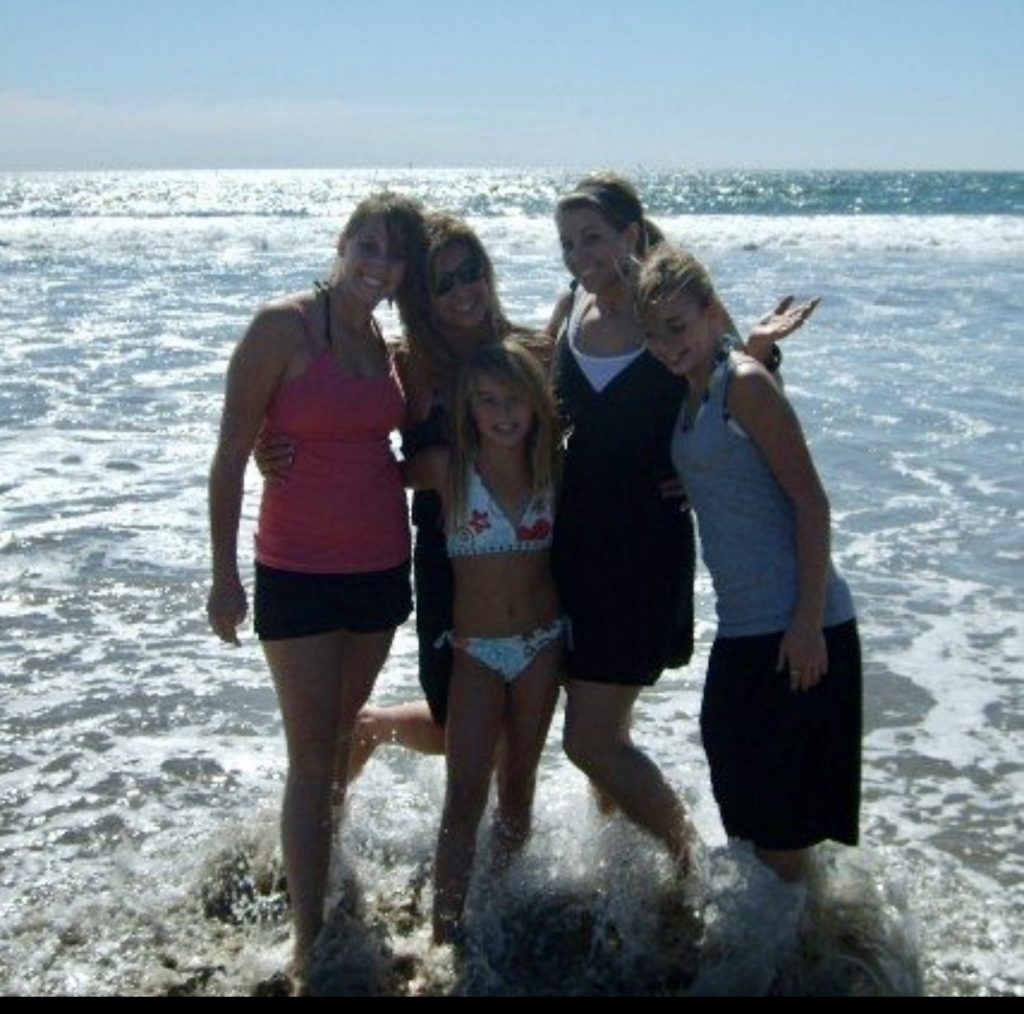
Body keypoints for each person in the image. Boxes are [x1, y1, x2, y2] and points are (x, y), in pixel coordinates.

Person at [547, 172, 817, 874]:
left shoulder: (665, 312)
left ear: (631, 235)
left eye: (593, 238)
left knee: (589, 739)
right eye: (568, 242)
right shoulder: (570, 305)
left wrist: (702, 474)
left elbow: (738, 398)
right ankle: (623, 878)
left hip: (644, 547)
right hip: (573, 543)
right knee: (603, 727)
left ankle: (691, 865)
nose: (580, 255)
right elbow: (536, 401)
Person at [206, 192, 426, 977]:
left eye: (394, 256)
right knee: (309, 755)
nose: (378, 265)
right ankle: (309, 944)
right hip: (295, 570)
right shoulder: (284, 327)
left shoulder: (388, 346)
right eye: (368, 246)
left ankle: (325, 879)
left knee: (335, 742)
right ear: (342, 244)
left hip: (380, 568)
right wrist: (224, 576)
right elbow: (231, 455)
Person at [636, 244, 861, 882]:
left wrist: (807, 624)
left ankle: (797, 939)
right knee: (747, 805)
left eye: (676, 327)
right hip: (743, 630)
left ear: (711, 312)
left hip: (797, 627)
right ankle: (800, 930)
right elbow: (732, 466)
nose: (666, 346)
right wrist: (698, 480)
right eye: (653, 335)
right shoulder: (696, 394)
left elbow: (812, 504)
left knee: (781, 832)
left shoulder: (745, 385)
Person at [404, 339, 563, 942]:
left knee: (517, 787)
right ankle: (444, 936)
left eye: (514, 399)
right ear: (468, 408)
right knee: (464, 797)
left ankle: (498, 909)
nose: (502, 413)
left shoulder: (554, 467)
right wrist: (268, 452)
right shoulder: (447, 469)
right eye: (488, 401)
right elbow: (365, 473)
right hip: (474, 652)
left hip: (542, 647)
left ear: (537, 403)